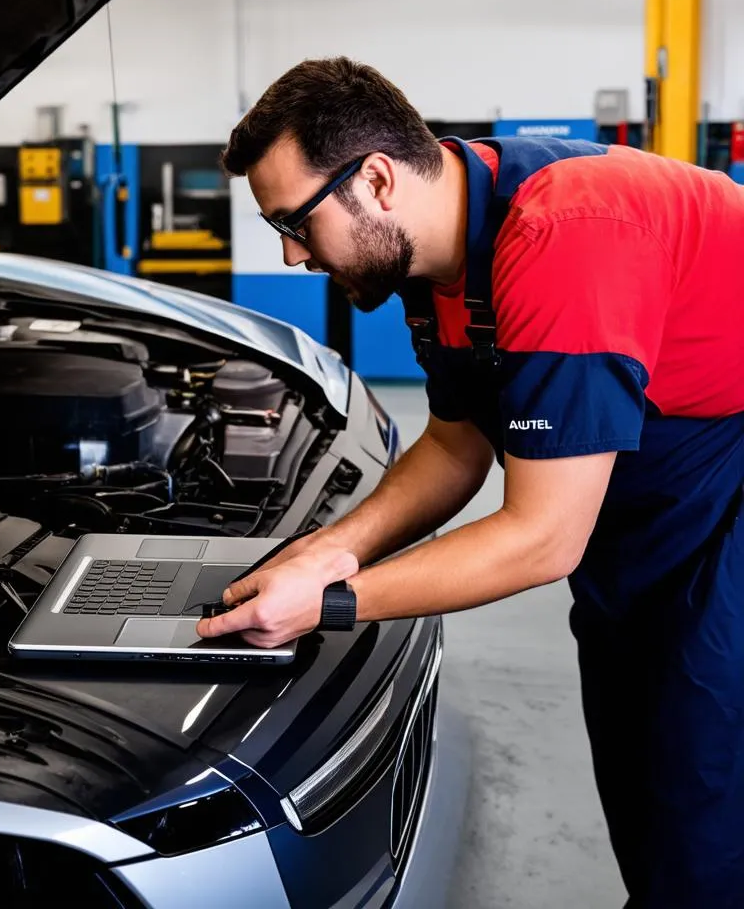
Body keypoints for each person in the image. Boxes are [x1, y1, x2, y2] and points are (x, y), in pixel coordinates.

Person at [197, 56, 744, 908]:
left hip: (727, 478)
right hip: (653, 488)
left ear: (375, 180)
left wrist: (334, 604)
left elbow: (542, 538)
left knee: (706, 786)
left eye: (295, 224)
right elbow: (455, 446)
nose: (292, 254)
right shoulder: (439, 245)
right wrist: (324, 553)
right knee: (646, 761)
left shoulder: (565, 241)